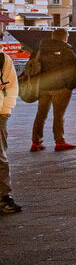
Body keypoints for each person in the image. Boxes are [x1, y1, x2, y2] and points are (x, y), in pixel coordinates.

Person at [29, 28, 76, 151]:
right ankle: (59, 141)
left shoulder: (40, 49)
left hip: (43, 87)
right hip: (61, 88)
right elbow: (73, 70)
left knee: (41, 114)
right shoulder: (67, 51)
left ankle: (36, 142)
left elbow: (31, 66)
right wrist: (70, 86)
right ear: (65, 38)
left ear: (52, 36)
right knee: (59, 115)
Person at [0, 45, 19, 213]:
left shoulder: (3, 59)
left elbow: (11, 86)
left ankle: (4, 196)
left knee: (0, 157)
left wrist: (6, 110)